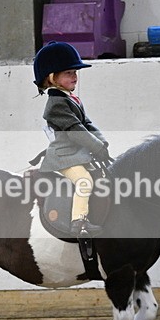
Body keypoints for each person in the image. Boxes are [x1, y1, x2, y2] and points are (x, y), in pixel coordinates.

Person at [33, 41, 110, 237]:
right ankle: (79, 222)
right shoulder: (56, 104)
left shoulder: (70, 98)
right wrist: (96, 146)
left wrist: (102, 142)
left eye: (75, 72)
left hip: (79, 154)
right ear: (52, 78)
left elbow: (87, 124)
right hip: (65, 157)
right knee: (84, 181)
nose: (74, 76)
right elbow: (76, 130)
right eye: (68, 73)